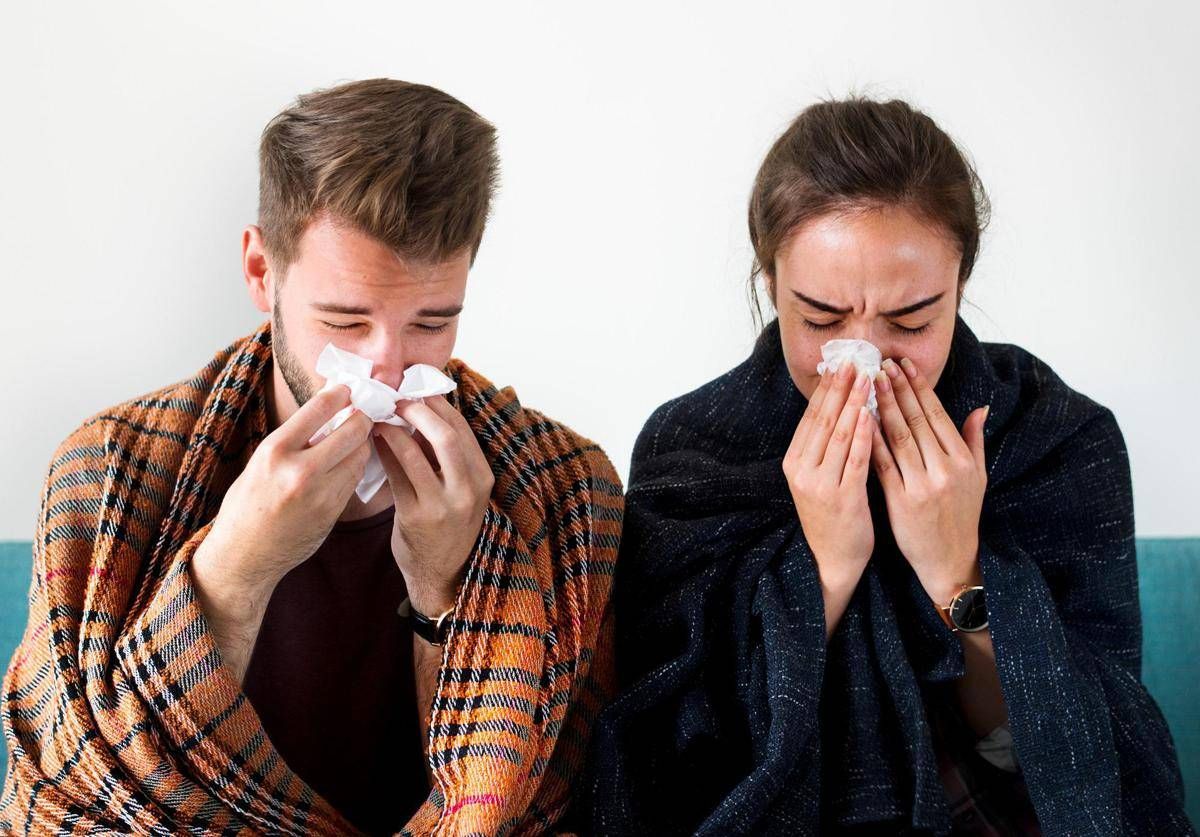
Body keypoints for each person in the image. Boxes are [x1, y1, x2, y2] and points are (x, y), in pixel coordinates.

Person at [1, 78, 623, 836]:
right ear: (261, 271)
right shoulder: (109, 472)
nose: (387, 367)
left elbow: (557, 805)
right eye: (345, 321)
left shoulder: (567, 493)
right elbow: (63, 801)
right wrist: (233, 575)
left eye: (432, 323)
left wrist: (446, 588)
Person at [584, 97, 1192, 835]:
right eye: (821, 319)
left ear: (961, 285)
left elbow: (1090, 766)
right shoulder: (692, 449)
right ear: (770, 283)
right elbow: (668, 762)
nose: (864, 360)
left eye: (912, 321)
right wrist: (824, 572)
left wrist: (957, 571)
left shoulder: (1055, 437)